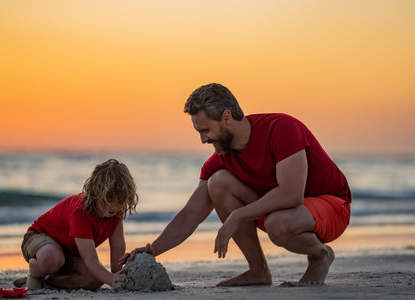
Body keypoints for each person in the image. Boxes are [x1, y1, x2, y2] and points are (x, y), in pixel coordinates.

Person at [121, 83, 351, 286]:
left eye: (205, 130)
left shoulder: (281, 128)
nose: (203, 139)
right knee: (218, 183)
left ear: (227, 117)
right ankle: (258, 271)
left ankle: (320, 255)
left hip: (331, 206)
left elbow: (291, 194)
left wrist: (237, 216)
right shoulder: (220, 160)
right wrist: (153, 249)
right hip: (279, 212)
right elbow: (191, 213)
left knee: (278, 223)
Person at [17, 158, 138, 290]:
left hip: (68, 254)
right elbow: (91, 260)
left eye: (120, 201)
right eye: (109, 199)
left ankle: (48, 282)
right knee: (52, 258)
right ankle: (36, 273)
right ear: (96, 193)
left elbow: (118, 245)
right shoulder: (81, 212)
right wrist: (110, 279)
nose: (114, 207)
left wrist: (117, 276)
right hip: (38, 239)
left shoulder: (116, 212)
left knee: (95, 279)